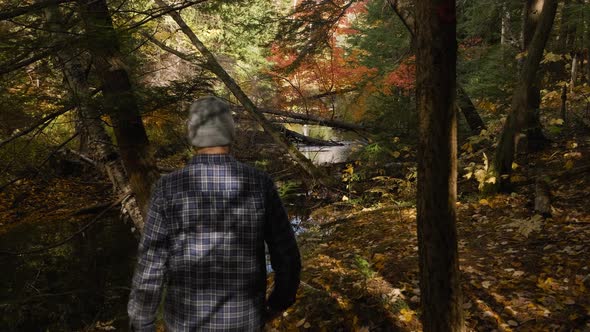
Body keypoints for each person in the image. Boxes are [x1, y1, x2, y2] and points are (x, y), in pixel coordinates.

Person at [128, 96, 301, 331]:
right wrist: (278, 303)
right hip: (245, 321)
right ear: (230, 131)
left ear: (192, 134)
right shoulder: (260, 183)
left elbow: (151, 265)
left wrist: (142, 322)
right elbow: (287, 256)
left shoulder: (167, 187)